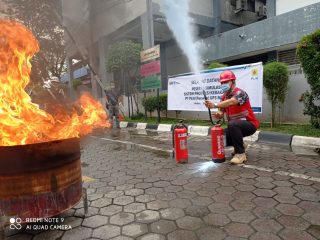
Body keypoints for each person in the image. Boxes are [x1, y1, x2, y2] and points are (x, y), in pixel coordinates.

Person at [205, 70, 259, 164]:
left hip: (250, 125)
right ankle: (241, 145)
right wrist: (219, 115)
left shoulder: (241, 93)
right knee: (220, 135)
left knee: (233, 124)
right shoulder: (223, 97)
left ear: (233, 81)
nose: (223, 84)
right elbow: (221, 112)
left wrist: (214, 104)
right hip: (235, 126)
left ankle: (240, 154)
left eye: (226, 82)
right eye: (222, 82)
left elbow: (232, 102)